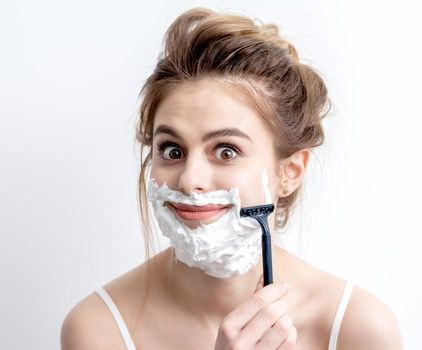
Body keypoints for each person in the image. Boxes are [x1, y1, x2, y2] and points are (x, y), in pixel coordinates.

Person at [60, 7, 403, 350]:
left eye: (226, 151)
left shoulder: (358, 327)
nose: (189, 180)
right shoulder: (98, 329)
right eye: (172, 150)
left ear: (290, 172)